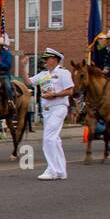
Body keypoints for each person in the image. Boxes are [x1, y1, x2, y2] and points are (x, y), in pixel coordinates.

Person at [33, 49, 75, 181]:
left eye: (48, 59)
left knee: (48, 139)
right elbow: (29, 82)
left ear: (55, 59)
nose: (45, 61)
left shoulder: (63, 72)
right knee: (55, 140)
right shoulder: (43, 74)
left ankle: (52, 170)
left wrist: (54, 95)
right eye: (45, 59)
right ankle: (61, 171)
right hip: (47, 110)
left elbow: (70, 91)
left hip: (58, 107)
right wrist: (23, 67)